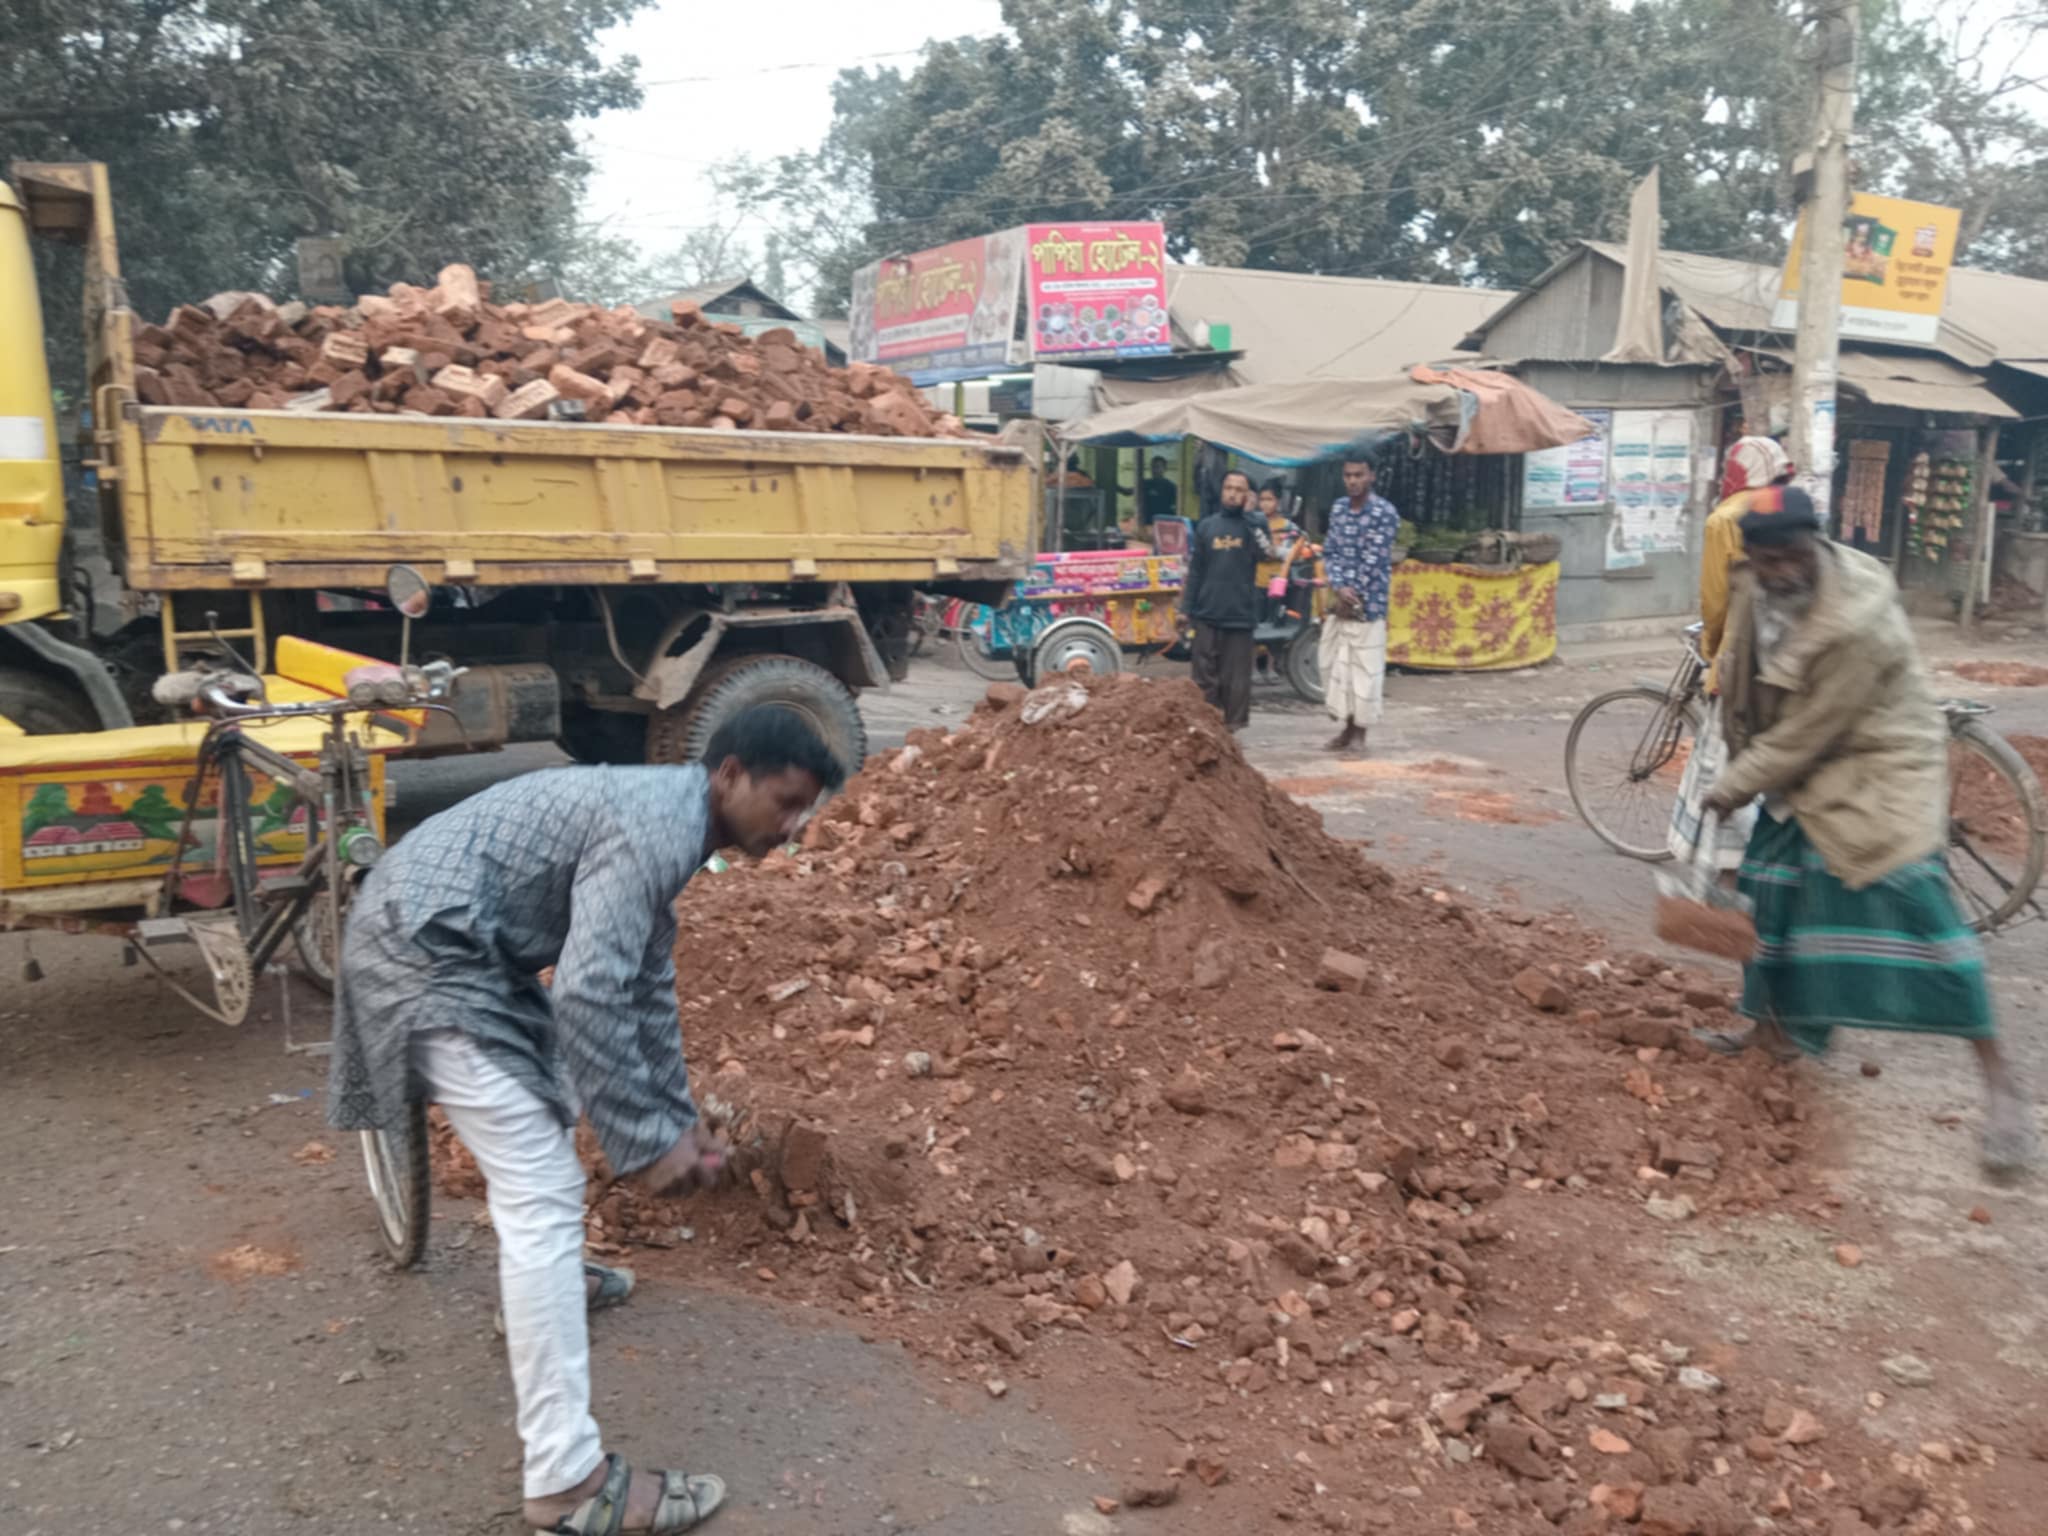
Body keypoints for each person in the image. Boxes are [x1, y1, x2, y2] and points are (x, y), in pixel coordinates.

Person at [327, 708, 847, 1534]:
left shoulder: (672, 823)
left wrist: (675, 1121)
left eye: (803, 812)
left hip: (448, 936)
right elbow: (589, 991)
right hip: (422, 947)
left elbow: (642, 985)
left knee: (540, 1110)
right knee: (541, 1181)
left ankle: (544, 1291)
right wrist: (645, 1145)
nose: (791, 829)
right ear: (730, 774)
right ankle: (569, 1484)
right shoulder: (655, 825)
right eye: (784, 804)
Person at [1700, 491, 2036, 1174]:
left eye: (1791, 556)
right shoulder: (1752, 579)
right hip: (1801, 764)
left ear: (1816, 545)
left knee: (1922, 913)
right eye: (1767, 560)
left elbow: (1810, 730)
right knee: (1766, 890)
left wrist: (1731, 785)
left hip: (1876, 766)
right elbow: (1745, 672)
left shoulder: (1857, 620)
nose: (1780, 570)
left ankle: (2002, 1084)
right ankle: (1769, 1033)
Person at [1669, 433, 1795, 868]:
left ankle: (1727, 863)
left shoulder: (1725, 519)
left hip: (1745, 660)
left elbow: (1717, 601)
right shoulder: (1789, 506)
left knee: (1728, 760)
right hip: (1795, 653)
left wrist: (1711, 652)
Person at [1318, 457, 1401, 754]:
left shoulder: (1384, 513)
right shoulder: (1339, 509)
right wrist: (1339, 587)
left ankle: (1359, 735)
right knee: (1337, 667)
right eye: (1348, 475)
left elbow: (1375, 558)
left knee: (1365, 671)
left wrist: (1355, 595)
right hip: (1339, 603)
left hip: (1369, 606)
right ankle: (1346, 728)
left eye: (1359, 475)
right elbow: (1331, 551)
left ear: (1372, 476)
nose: (1352, 480)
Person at [1184, 468, 1275, 730]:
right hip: (1207, 613)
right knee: (1203, 678)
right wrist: (1186, 610)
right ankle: (1206, 729)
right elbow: (1196, 570)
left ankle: (1231, 733)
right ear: (1221, 491)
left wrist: (1253, 518)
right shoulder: (1206, 527)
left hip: (1239, 615)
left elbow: (1266, 553)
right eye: (1229, 488)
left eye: (1239, 490)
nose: (1233, 494)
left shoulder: (1253, 526)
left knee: (1235, 680)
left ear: (1247, 495)